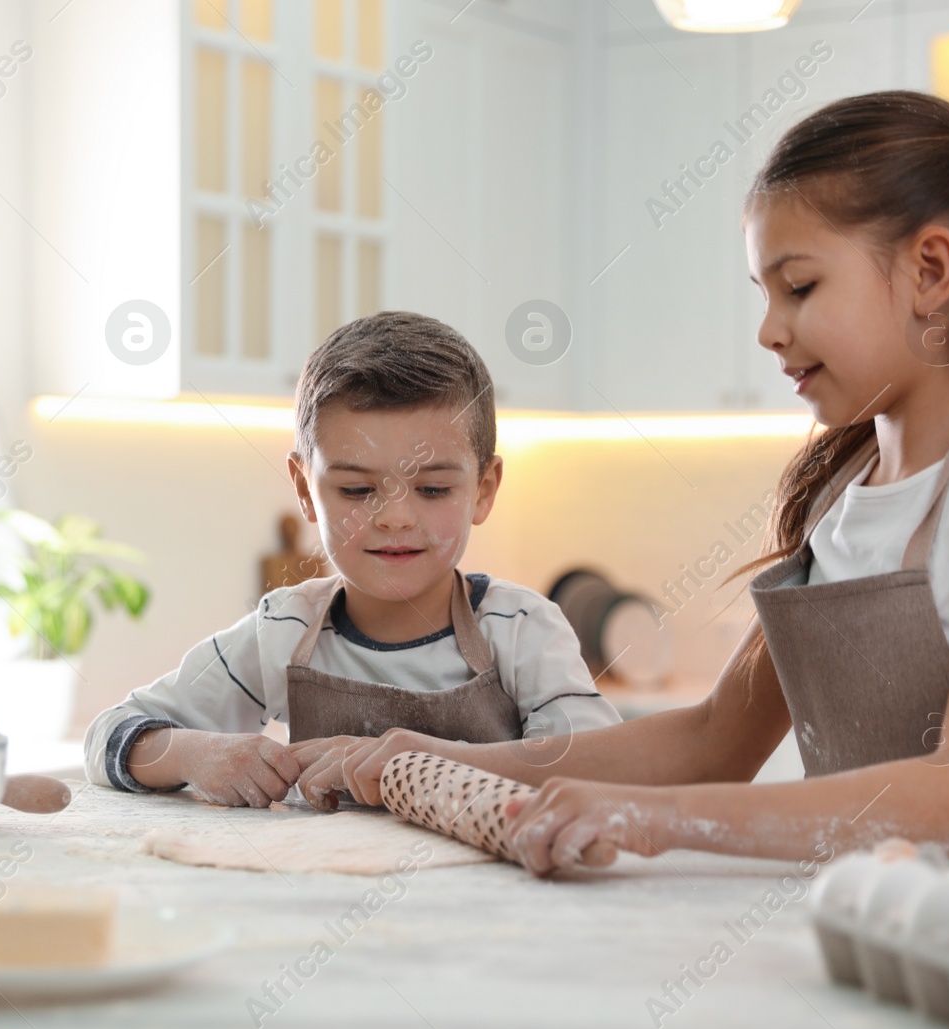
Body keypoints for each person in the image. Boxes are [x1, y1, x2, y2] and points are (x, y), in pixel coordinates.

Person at [302, 91, 949, 872]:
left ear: (930, 270)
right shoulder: (843, 491)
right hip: (881, 915)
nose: (770, 331)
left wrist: (652, 818)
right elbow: (713, 739)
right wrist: (440, 754)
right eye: (763, 293)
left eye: (800, 286)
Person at [81, 311, 619, 807]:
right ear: (303, 489)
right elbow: (109, 732)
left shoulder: (521, 629)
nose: (394, 518)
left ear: (483, 489)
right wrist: (195, 755)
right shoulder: (284, 631)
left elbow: (604, 764)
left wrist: (420, 767)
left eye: (432, 489)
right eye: (358, 490)